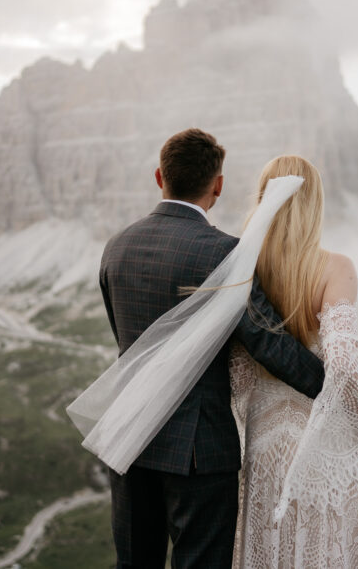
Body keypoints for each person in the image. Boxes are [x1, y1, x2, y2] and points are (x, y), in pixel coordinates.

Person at [90, 130, 326, 568]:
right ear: (217, 185)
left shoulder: (115, 247)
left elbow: (126, 340)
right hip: (198, 451)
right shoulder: (223, 253)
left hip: (127, 439)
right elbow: (267, 344)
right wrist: (336, 388)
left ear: (159, 176)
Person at [230, 155, 358, 568]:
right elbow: (343, 361)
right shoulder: (334, 268)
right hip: (325, 448)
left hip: (263, 446)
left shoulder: (244, 271)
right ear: (315, 204)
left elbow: (235, 373)